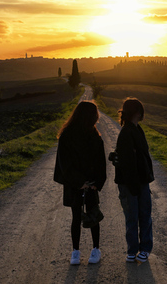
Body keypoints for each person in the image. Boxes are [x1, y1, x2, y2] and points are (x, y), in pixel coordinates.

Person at [54, 101, 106, 265]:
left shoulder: (75, 135)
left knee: (81, 216)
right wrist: (89, 183)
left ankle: (82, 251)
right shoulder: (82, 136)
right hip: (81, 183)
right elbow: (65, 164)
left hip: (80, 184)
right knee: (89, 215)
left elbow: (99, 163)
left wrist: (90, 182)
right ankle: (88, 250)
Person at [113, 97, 154, 263]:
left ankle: (142, 249)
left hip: (141, 182)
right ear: (137, 113)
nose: (142, 114)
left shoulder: (137, 130)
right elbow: (127, 163)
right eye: (141, 111)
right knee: (134, 216)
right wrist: (134, 186)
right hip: (131, 183)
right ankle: (134, 250)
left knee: (142, 216)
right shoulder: (126, 133)